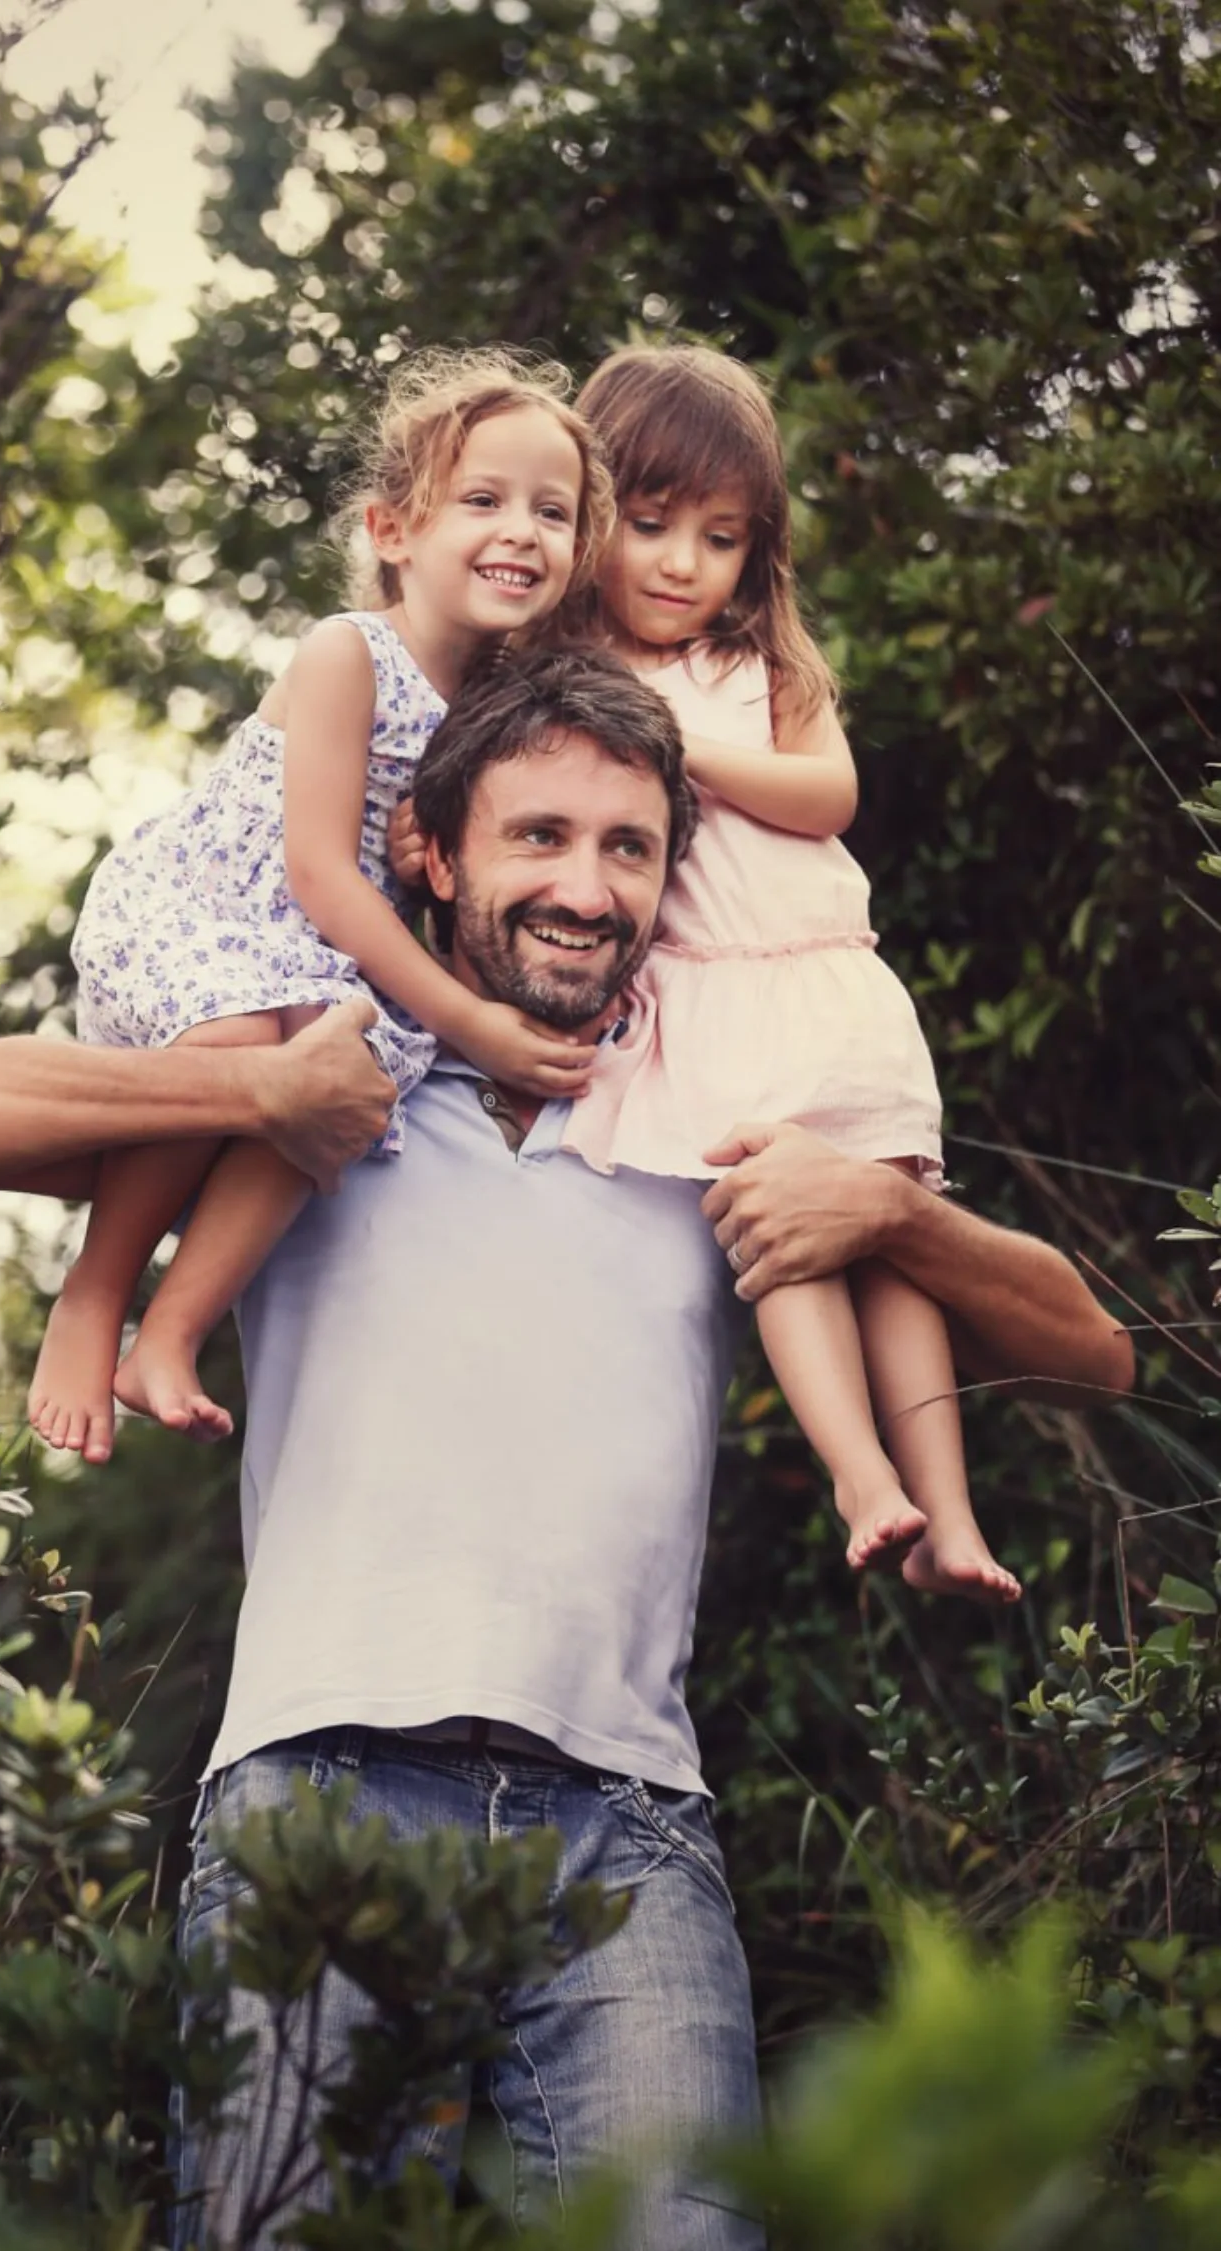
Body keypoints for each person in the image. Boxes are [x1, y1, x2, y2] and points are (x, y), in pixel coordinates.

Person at [0, 649, 1132, 2247]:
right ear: (433, 852)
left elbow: (1093, 1353)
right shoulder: (331, 1095)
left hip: (631, 1824)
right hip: (320, 1784)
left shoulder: (708, 1117)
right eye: (537, 835)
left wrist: (890, 1206)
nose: (585, 886)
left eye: (628, 848)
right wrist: (261, 1083)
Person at [397, 344, 1016, 1603]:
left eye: (721, 538)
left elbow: (831, 794)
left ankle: (953, 1512)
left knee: (898, 1240)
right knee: (774, 1239)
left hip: (830, 985)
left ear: (757, 551)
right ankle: (861, 1475)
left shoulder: (762, 670)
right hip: (710, 997)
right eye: (656, 525)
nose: (683, 564)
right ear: (597, 520)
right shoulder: (563, 681)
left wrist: (688, 748)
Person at [26, 348, 612, 1464]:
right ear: (394, 532)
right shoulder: (350, 652)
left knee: (347, 1082)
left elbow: (427, 875)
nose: (522, 530)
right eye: (483, 501)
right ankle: (93, 1295)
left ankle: (173, 1329)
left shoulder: (501, 708)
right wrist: (473, 1021)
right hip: (212, 907)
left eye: (553, 511)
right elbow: (318, 872)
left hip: (331, 962)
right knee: (252, 1035)